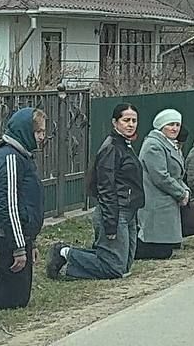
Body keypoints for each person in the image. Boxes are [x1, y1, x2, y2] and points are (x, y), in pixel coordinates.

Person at [48, 103, 145, 281]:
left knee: (124, 266)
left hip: (129, 210)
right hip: (116, 211)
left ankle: (68, 259)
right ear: (115, 123)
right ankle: (64, 253)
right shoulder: (111, 148)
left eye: (134, 120)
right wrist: (110, 222)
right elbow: (106, 187)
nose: (130, 124)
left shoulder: (125, 145)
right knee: (114, 268)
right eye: (126, 120)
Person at [0, 107, 45, 310]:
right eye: (38, 132)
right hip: (7, 237)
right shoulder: (9, 158)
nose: (42, 137)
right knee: (13, 299)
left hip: (20, 236)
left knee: (20, 297)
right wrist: (19, 247)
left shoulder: (21, 156)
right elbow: (9, 206)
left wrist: (31, 242)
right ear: (26, 131)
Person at [135, 110, 190, 260]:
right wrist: (181, 193)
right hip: (156, 199)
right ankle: (128, 248)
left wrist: (185, 190)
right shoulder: (154, 145)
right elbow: (161, 176)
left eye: (177, 125)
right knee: (162, 251)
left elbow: (178, 174)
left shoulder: (169, 144)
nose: (175, 128)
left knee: (166, 248)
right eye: (170, 124)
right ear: (161, 126)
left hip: (168, 197)